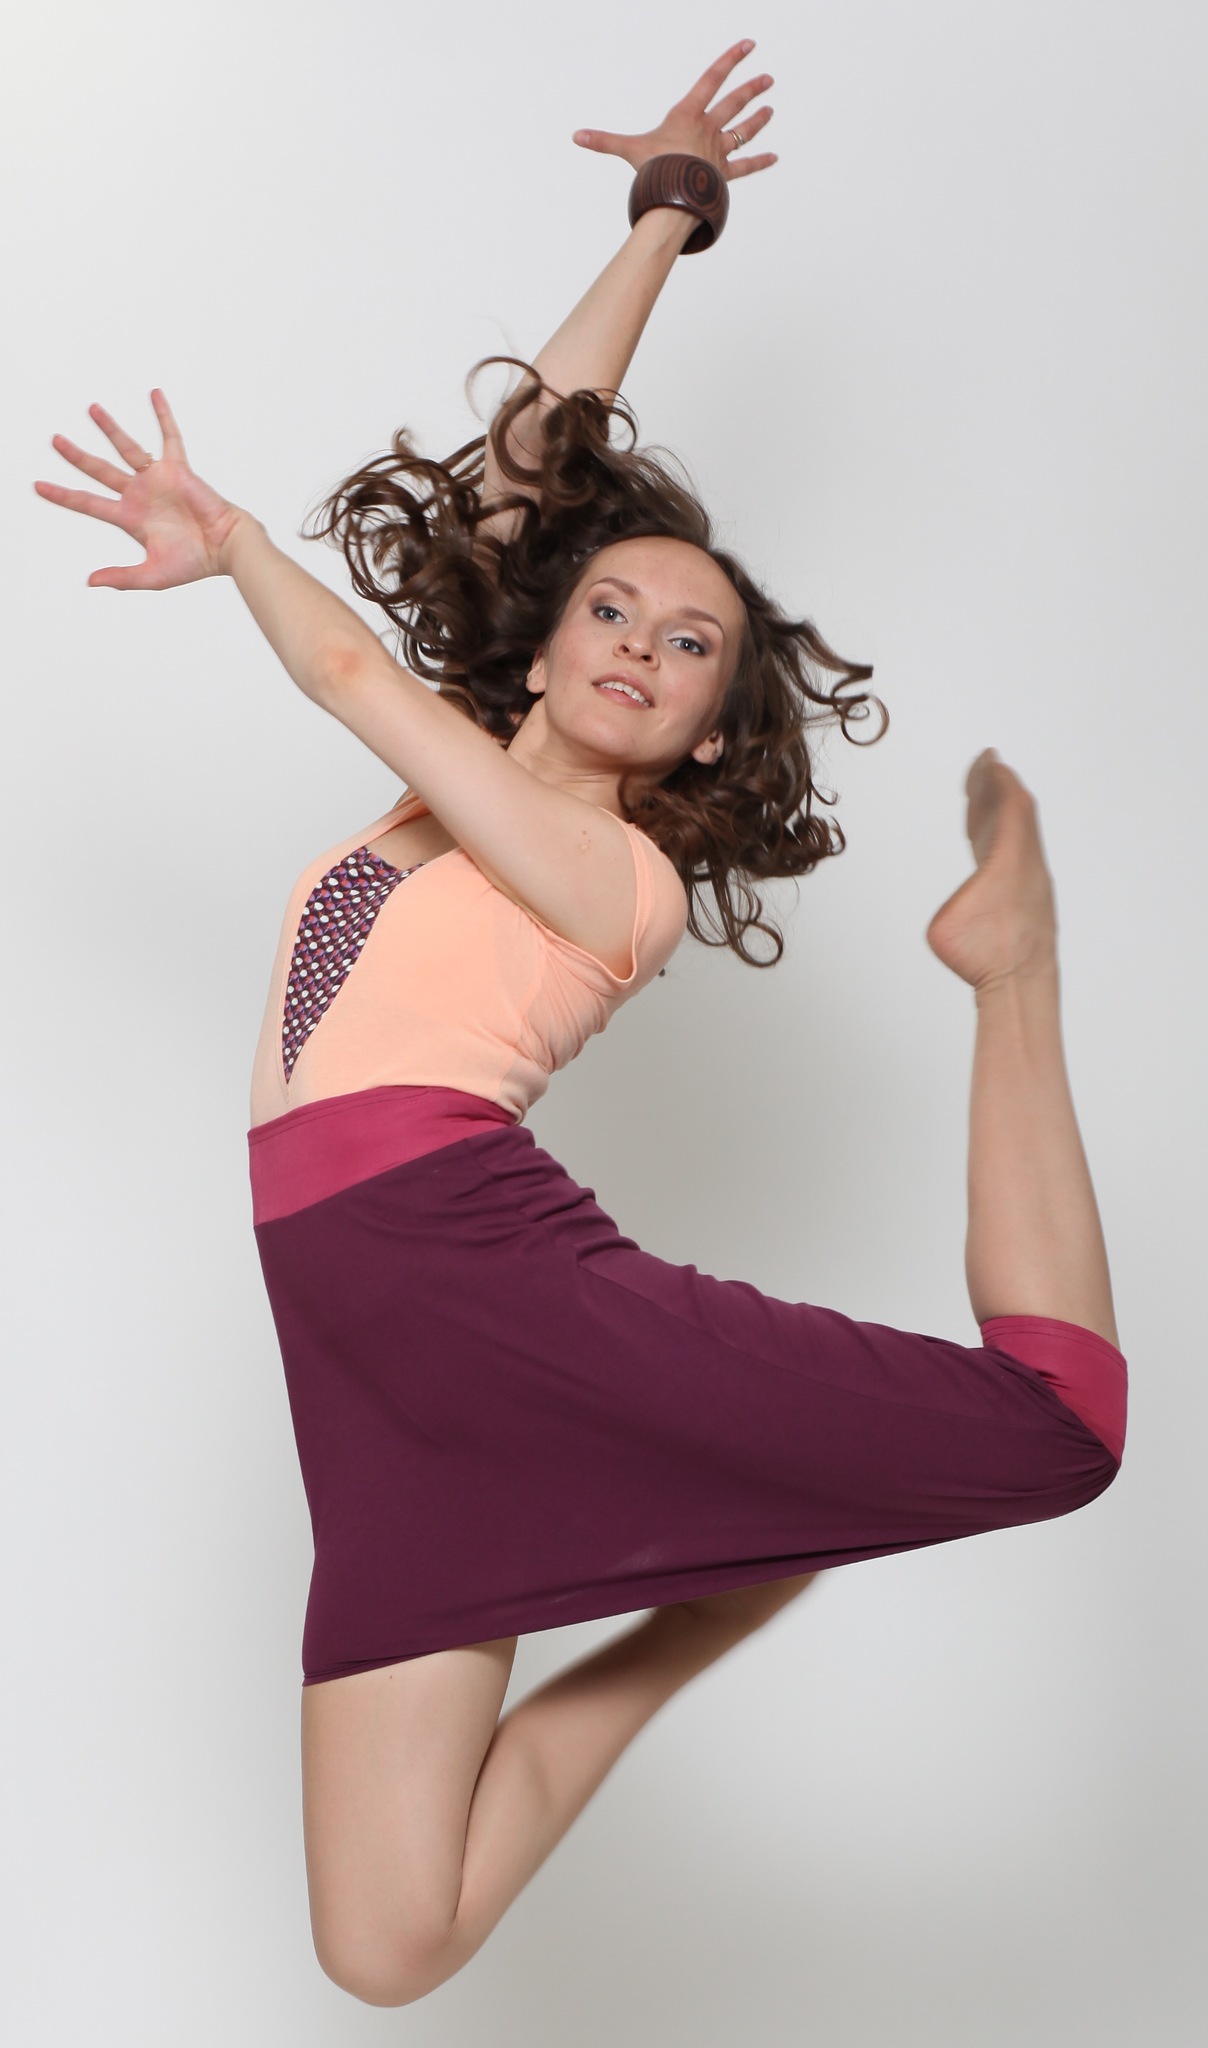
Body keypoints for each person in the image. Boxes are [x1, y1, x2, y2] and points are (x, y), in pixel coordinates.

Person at [35, 38, 1126, 2014]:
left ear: (707, 730)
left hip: (484, 1285)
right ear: (541, 639)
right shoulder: (455, 782)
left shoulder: (610, 883)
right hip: (369, 1372)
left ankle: (1015, 966)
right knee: (387, 1945)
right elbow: (538, 454)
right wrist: (665, 218)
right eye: (611, 608)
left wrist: (240, 548)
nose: (639, 644)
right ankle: (718, 1591)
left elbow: (353, 671)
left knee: (1063, 1435)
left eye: (690, 645)